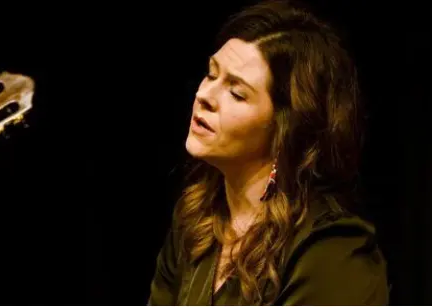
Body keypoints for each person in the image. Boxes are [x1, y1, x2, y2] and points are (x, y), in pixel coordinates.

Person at [147, 0, 389, 305]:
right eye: (211, 74)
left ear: (285, 130)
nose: (203, 95)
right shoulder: (197, 220)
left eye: (236, 93)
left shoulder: (332, 251)